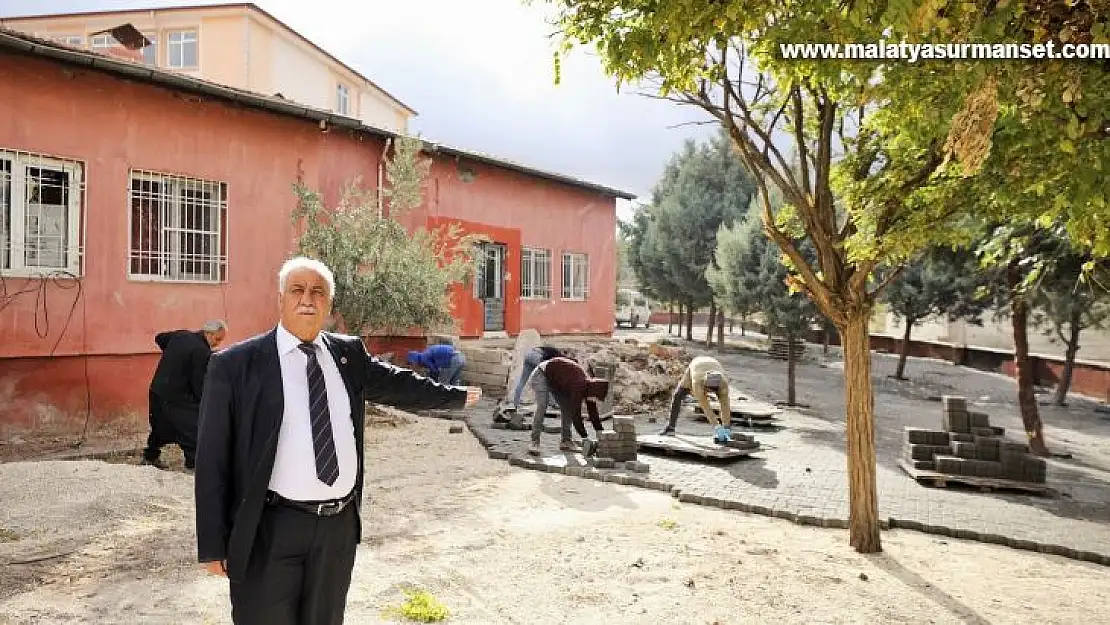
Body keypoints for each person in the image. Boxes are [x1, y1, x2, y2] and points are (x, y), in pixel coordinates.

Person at [194, 256, 481, 625]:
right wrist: (214, 544)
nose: (307, 300)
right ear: (280, 298)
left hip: (337, 528)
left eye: (318, 292)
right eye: (297, 290)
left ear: (329, 303)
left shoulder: (347, 354)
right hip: (270, 527)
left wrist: (454, 396)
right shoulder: (236, 365)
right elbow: (212, 458)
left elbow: (397, 384)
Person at [142, 319, 227, 471]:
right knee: (192, 429)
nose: (218, 344)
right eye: (217, 339)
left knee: (160, 426)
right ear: (208, 333)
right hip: (177, 397)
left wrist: (173, 356)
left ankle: (150, 456)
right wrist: (204, 404)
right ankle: (193, 465)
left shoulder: (180, 335)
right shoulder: (202, 352)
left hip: (157, 390)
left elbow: (159, 338)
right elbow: (198, 384)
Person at [526, 356, 609, 456]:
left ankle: (566, 441)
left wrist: (602, 434)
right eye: (597, 398)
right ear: (595, 392)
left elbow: (593, 413)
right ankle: (534, 442)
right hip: (541, 374)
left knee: (567, 409)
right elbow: (576, 415)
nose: (595, 400)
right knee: (543, 405)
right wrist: (585, 437)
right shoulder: (578, 386)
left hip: (557, 380)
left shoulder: (589, 388)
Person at [659, 355, 732, 443]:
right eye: (709, 390)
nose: (710, 392)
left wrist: (726, 427)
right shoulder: (697, 382)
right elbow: (705, 406)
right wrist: (717, 426)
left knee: (724, 400)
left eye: (714, 390)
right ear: (705, 386)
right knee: (678, 395)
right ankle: (670, 428)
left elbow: (725, 405)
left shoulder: (723, 384)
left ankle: (726, 429)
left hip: (713, 363)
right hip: (697, 364)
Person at [509, 345, 567, 411]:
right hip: (536, 356)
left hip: (529, 355)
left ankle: (515, 403)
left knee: (523, 380)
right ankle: (553, 403)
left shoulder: (552, 352)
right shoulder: (558, 356)